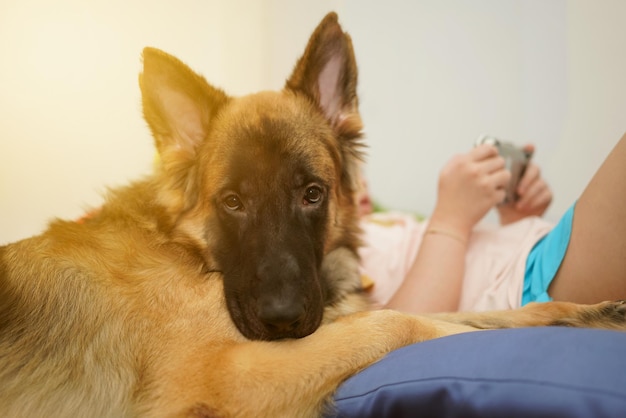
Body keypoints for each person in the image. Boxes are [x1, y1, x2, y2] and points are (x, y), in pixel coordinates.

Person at [358, 133, 626, 313]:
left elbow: (474, 264)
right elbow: (400, 330)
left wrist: (516, 220)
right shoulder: (335, 259)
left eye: (360, 172)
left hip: (532, 262)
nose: (361, 183)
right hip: (529, 291)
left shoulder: (380, 221)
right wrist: (451, 220)